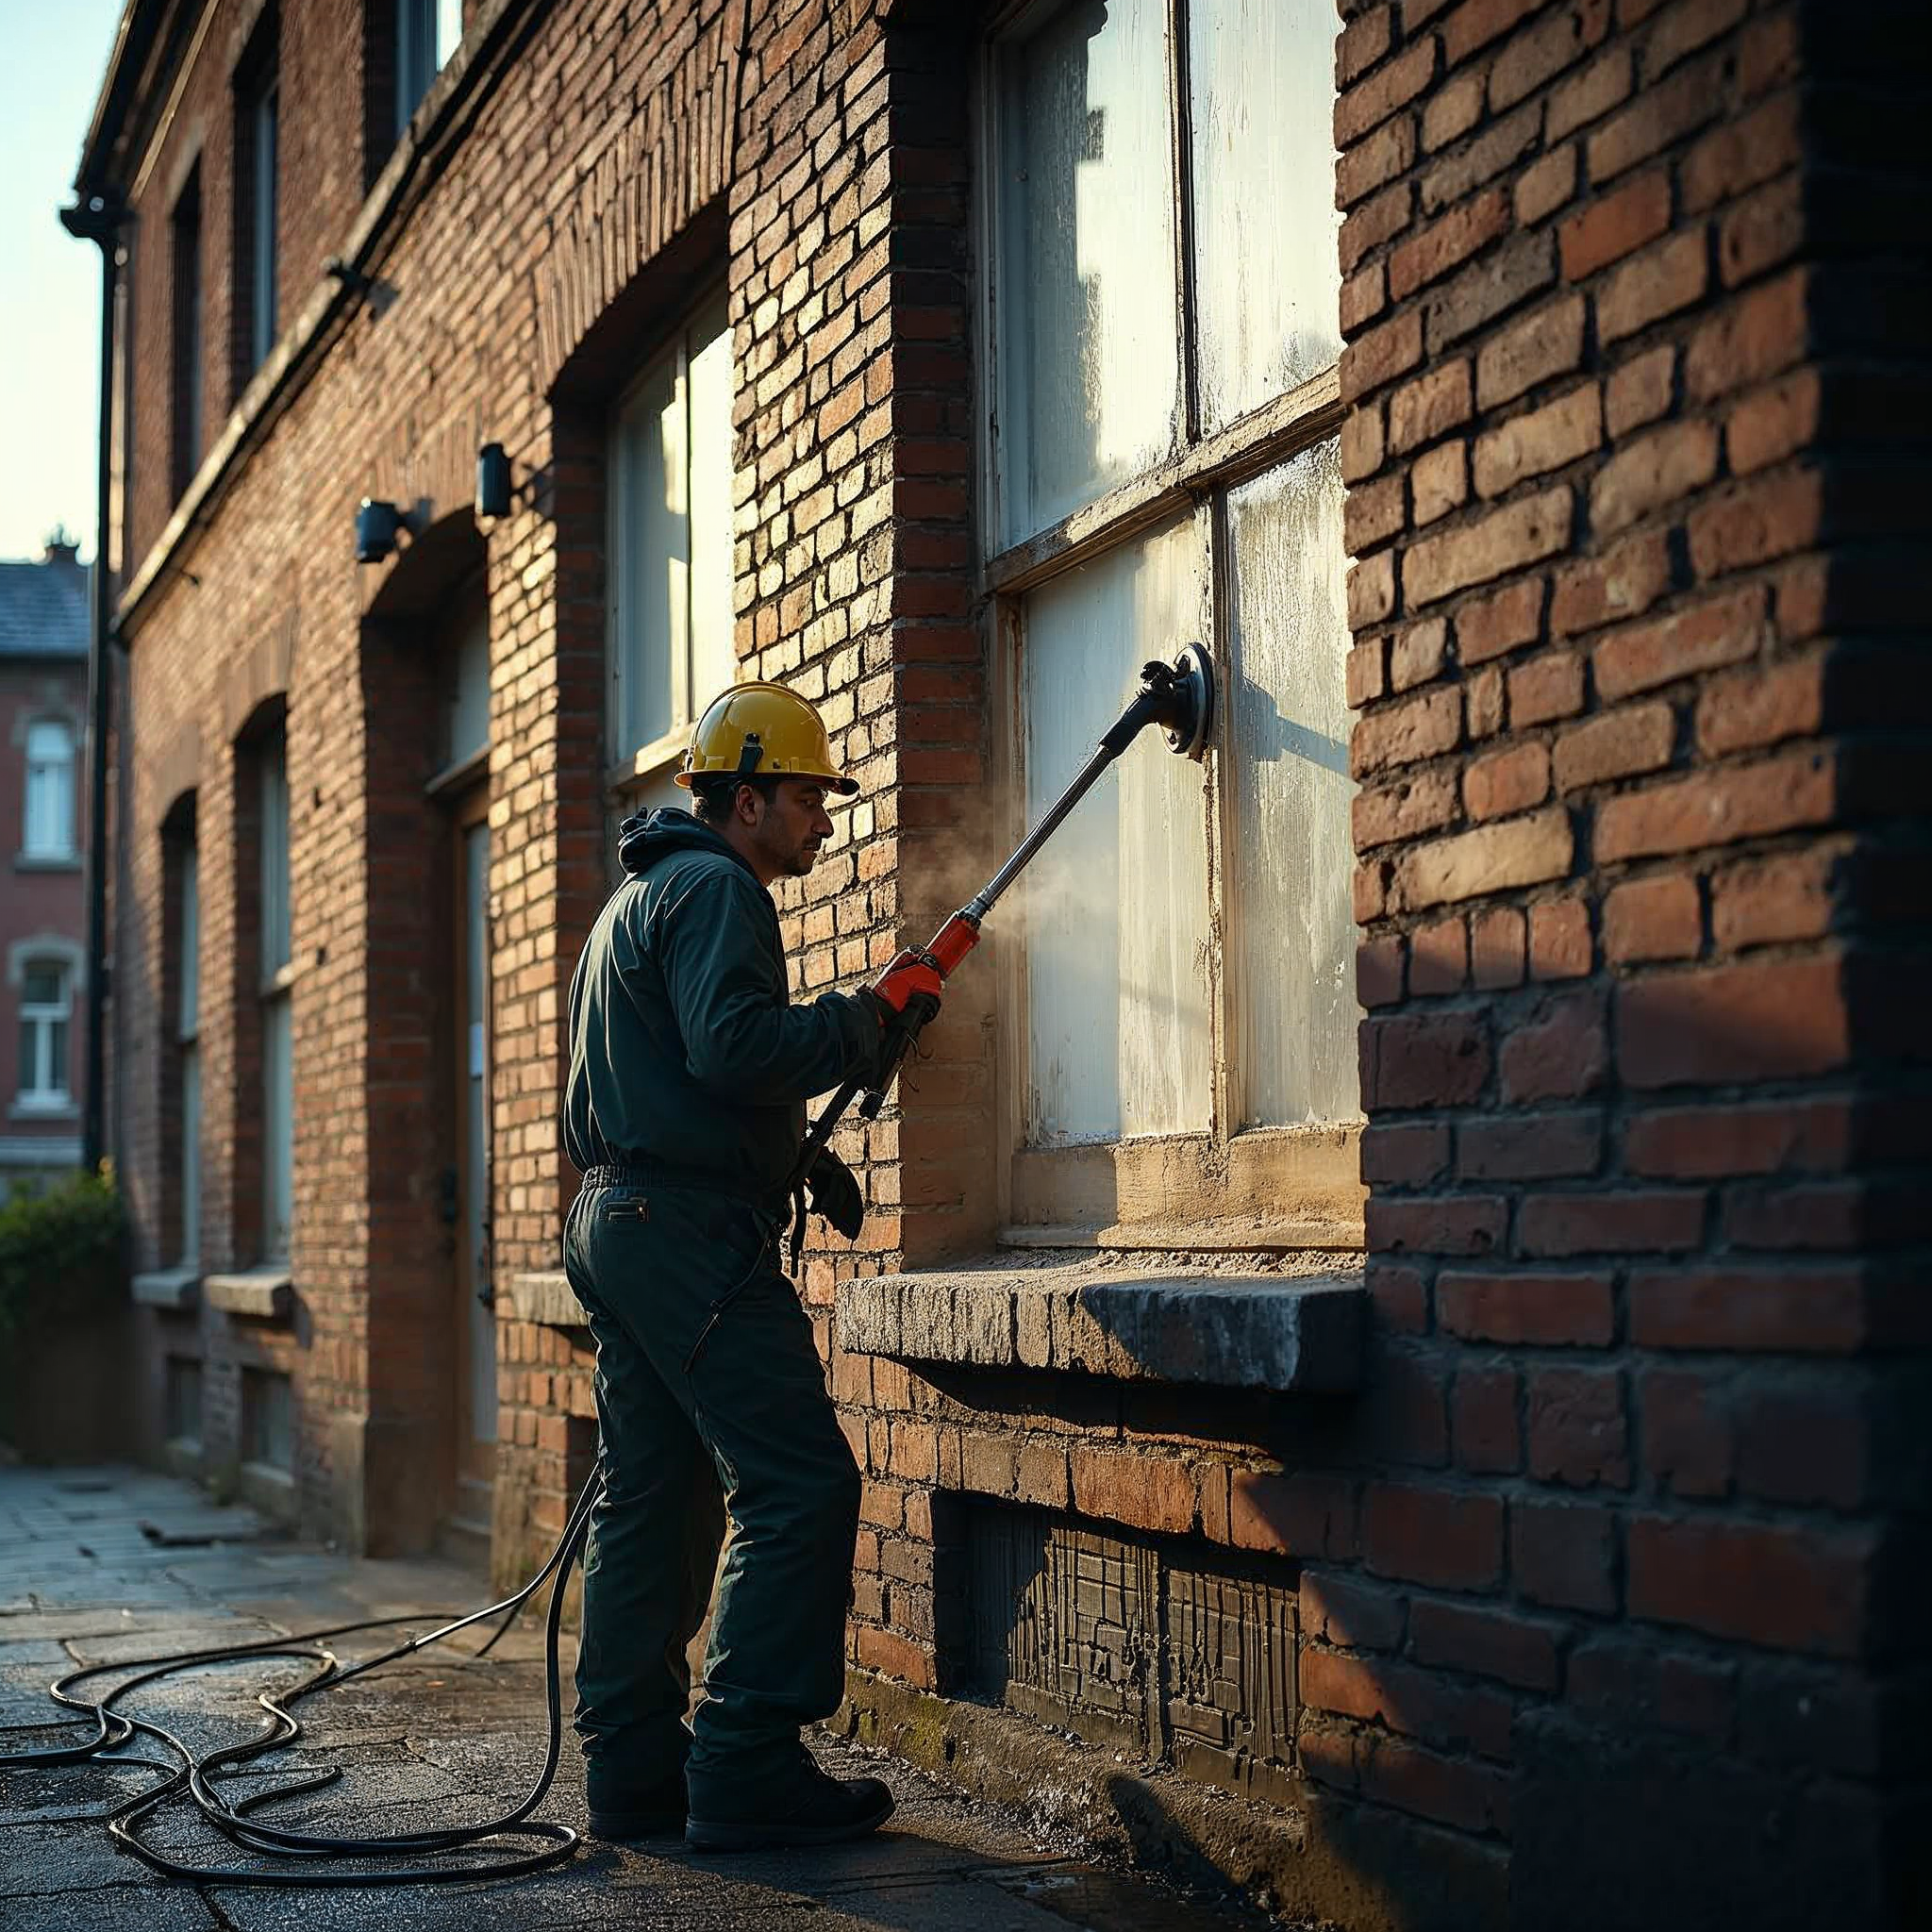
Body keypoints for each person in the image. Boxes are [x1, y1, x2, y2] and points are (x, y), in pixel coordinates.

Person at [558, 681, 927, 1853]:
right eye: (811, 798)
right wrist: (860, 1020)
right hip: (681, 1235)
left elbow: (656, 1083)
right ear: (749, 795)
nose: (825, 818)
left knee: (653, 1493)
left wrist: (782, 1164)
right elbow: (733, 1046)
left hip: (619, 1220)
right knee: (797, 1480)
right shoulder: (719, 889)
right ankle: (747, 1757)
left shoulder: (631, 903)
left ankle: (632, 1770)